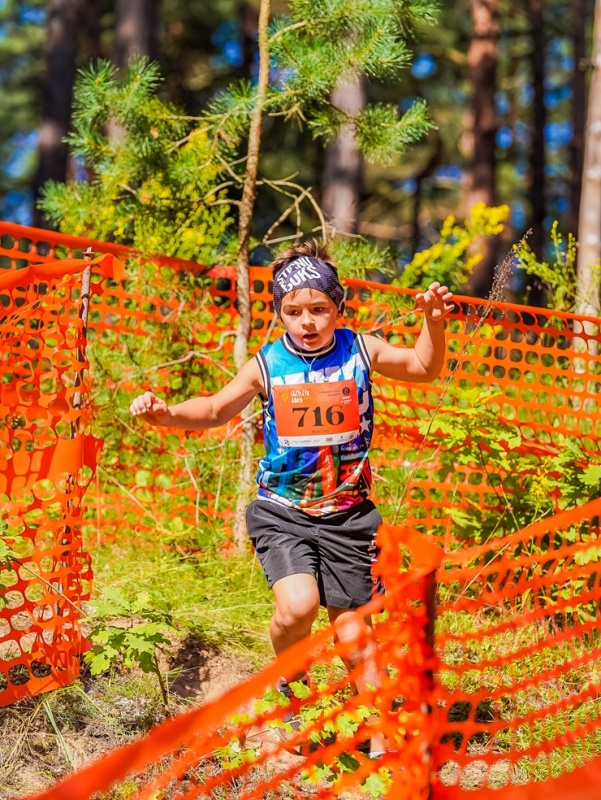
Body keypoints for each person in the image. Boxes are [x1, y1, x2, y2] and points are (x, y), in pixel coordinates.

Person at [129, 240, 453, 756]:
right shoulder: (267, 363)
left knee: (353, 633)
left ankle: (378, 736)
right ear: (278, 311)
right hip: (283, 510)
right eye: (294, 311)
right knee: (298, 605)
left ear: (338, 308)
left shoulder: (361, 349)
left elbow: (422, 367)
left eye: (319, 309)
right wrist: (166, 413)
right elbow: (215, 408)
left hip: (350, 515)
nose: (307, 321)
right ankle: (293, 681)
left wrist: (433, 322)